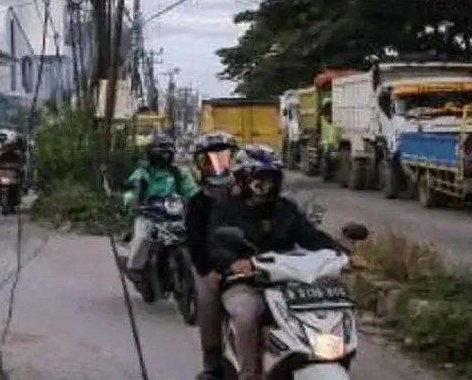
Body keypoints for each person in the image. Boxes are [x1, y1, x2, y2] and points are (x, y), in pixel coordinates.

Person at [200, 151, 365, 380]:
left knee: (326, 309)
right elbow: (216, 244)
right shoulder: (226, 210)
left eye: (273, 177)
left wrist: (345, 254)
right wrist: (233, 262)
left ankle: (315, 355)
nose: (268, 184)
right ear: (243, 179)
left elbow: (311, 236)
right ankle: (249, 373)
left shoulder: (286, 208)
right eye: (261, 177)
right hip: (248, 281)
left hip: (286, 280)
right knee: (246, 314)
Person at [185, 131, 240, 380]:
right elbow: (195, 241)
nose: (218, 165)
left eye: (224, 157)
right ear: (200, 165)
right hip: (214, 267)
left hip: (251, 263)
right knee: (208, 302)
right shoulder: (198, 202)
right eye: (210, 160)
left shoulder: (245, 193)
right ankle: (213, 361)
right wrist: (207, 271)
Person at [122, 133, 198, 281]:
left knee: (193, 235)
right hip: (148, 214)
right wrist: (132, 201)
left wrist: (197, 201)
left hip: (174, 214)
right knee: (144, 236)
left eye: (168, 152)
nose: (165, 156)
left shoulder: (179, 172)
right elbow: (131, 191)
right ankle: (135, 268)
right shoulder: (142, 173)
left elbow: (192, 191)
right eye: (161, 152)